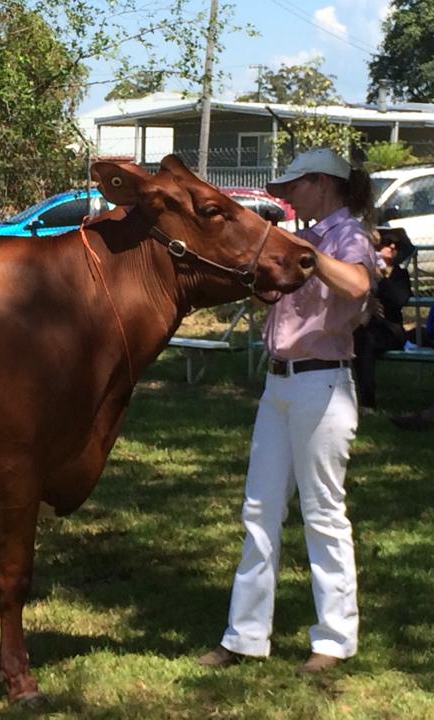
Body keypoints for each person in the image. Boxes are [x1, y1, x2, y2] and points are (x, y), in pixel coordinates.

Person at [198, 148, 374, 674]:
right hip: (279, 385)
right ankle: (245, 636)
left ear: (322, 183)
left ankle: (334, 641)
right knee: (258, 512)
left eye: (294, 186)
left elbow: (361, 286)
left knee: (323, 515)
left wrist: (308, 256)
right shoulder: (308, 237)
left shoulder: (347, 236)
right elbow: (275, 300)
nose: (287, 196)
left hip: (322, 384)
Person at [352, 231, 412, 411]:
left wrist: (381, 278)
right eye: (388, 242)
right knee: (361, 338)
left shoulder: (400, 275)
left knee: (366, 340)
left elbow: (400, 300)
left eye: (397, 245)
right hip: (364, 326)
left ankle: (367, 403)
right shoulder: (363, 272)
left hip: (391, 330)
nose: (392, 247)